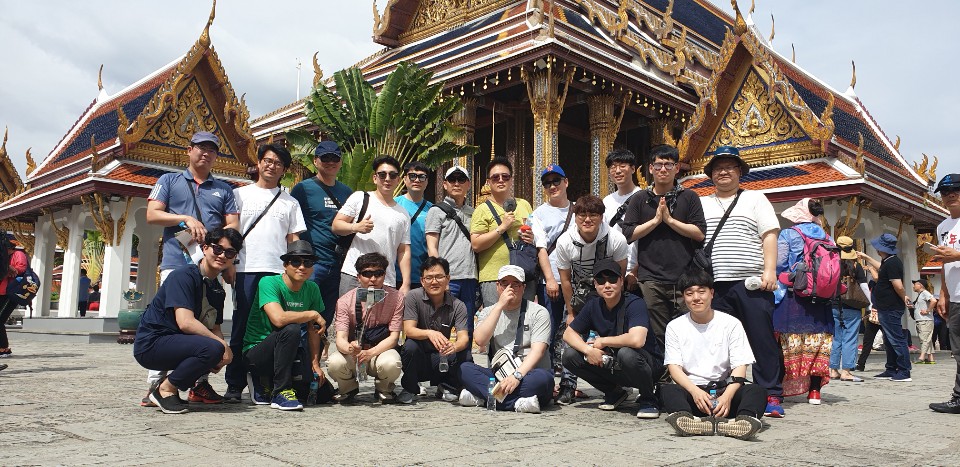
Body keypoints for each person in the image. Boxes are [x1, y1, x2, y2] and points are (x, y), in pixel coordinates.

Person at [143, 131, 239, 406]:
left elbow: (233, 225)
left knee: (206, 320)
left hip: (210, 266)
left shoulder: (224, 189)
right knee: (170, 323)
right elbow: (152, 214)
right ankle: (156, 384)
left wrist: (224, 255)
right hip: (177, 262)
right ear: (189, 150)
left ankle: (199, 383)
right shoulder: (169, 181)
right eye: (201, 147)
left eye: (212, 149)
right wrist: (184, 218)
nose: (206, 153)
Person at [698, 146, 784, 417]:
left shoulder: (755, 199)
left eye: (729, 167)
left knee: (761, 339)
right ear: (711, 174)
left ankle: (770, 393)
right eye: (718, 168)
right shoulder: (702, 203)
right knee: (719, 341)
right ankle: (722, 393)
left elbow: (769, 235)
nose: (723, 172)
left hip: (750, 282)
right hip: (714, 283)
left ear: (739, 172)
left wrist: (770, 271)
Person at [224, 143, 306, 403]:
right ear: (259, 163)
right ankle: (235, 383)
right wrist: (229, 264)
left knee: (274, 328)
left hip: (276, 272)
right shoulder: (239, 195)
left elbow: (293, 240)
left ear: (284, 170)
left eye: (278, 163)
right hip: (246, 269)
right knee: (241, 327)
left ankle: (264, 382)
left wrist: (294, 273)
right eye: (268, 161)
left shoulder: (290, 202)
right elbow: (231, 233)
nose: (272, 166)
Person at [132, 228, 241, 414]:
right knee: (213, 347)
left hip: (177, 342)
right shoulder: (183, 276)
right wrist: (221, 345)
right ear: (205, 248)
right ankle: (165, 390)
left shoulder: (217, 290)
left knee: (216, 349)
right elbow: (186, 322)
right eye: (217, 249)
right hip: (152, 344)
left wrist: (224, 354)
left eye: (229, 253)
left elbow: (214, 327)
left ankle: (175, 387)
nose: (222, 255)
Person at [661, 268, 765, 440]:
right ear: (683, 297)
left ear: (712, 293)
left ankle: (743, 422)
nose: (696, 298)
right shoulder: (675, 326)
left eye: (701, 292)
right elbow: (674, 368)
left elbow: (740, 366)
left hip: (724, 390)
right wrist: (695, 392)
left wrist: (727, 396)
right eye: (689, 293)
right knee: (669, 390)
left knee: (756, 391)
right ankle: (688, 420)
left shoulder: (731, 323)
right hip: (693, 393)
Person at [621, 144, 706, 349]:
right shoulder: (640, 199)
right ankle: (663, 369)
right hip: (651, 278)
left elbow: (699, 233)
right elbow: (628, 234)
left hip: (684, 276)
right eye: (658, 165)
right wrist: (655, 221)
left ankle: (686, 368)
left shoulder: (689, 197)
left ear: (677, 168)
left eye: (668, 165)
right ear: (650, 168)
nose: (663, 169)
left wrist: (669, 221)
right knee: (658, 333)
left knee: (688, 330)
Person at [561, 258, 664, 419]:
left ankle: (648, 399)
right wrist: (589, 350)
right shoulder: (593, 305)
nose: (607, 285)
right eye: (601, 281)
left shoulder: (635, 303)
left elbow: (637, 340)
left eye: (612, 279)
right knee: (569, 356)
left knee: (626, 353)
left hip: (646, 365)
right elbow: (568, 334)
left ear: (621, 281)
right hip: (616, 364)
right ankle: (614, 392)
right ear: (595, 284)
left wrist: (603, 341)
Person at [553, 195, 629, 405]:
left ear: (602, 217)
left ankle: (619, 383)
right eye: (582, 215)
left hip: (607, 295)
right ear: (575, 217)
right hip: (579, 297)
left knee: (612, 340)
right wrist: (571, 312)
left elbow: (620, 275)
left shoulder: (616, 239)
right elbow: (565, 280)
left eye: (593, 215)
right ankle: (567, 385)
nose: (587, 219)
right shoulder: (565, 242)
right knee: (570, 342)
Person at [242, 240, 326, 411]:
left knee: (323, 394)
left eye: (307, 263)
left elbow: (313, 330)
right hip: (257, 354)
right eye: (295, 262)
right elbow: (278, 319)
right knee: (291, 328)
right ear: (285, 265)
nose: (302, 267)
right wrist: (312, 313)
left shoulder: (312, 288)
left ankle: (271, 381)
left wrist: (315, 364)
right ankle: (279, 391)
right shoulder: (268, 282)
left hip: (288, 351)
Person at [458, 265, 553, 413]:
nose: (510, 288)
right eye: (505, 284)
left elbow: (538, 351)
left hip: (528, 374)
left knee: (543, 380)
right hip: (500, 376)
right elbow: (480, 340)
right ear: (497, 286)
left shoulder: (539, 312)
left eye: (515, 284)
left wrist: (517, 376)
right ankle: (517, 403)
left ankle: (485, 398)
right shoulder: (489, 312)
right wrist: (499, 306)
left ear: (523, 288)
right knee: (465, 369)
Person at [773, 198, 834, 405]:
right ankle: (815, 391)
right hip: (821, 298)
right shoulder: (827, 236)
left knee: (784, 341)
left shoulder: (789, 233)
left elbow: (779, 263)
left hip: (794, 295)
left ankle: (777, 390)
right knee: (819, 342)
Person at [290, 140, 353, 324]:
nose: (330, 162)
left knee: (325, 317)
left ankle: (318, 345)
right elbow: (292, 223)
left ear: (341, 162)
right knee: (303, 314)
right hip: (312, 264)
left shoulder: (347, 192)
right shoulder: (303, 189)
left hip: (338, 263)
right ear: (315, 161)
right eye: (325, 158)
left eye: (335, 158)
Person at [328, 253, 404, 403]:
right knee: (334, 362)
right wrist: (350, 348)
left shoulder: (397, 298)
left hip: (380, 351)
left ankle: (384, 389)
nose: (373, 279)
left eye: (378, 273)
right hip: (354, 354)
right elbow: (340, 339)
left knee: (392, 363)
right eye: (367, 274)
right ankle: (347, 388)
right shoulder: (344, 301)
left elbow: (394, 337)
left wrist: (370, 353)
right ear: (358, 277)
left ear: (384, 275)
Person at [332, 156, 411, 296]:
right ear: (375, 178)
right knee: (349, 310)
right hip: (354, 275)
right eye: (382, 175)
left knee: (377, 312)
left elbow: (403, 250)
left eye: (392, 175)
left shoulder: (403, 214)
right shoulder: (360, 198)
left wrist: (406, 283)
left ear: (398, 180)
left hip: (384, 279)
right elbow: (336, 225)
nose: (387, 179)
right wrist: (355, 227)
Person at [471, 157, 543, 305]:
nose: (501, 180)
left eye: (505, 176)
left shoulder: (524, 204)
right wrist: (502, 228)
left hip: (523, 274)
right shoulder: (482, 210)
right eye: (495, 177)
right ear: (488, 182)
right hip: (494, 277)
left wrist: (531, 238)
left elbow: (535, 233)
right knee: (496, 317)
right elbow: (476, 245)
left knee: (524, 318)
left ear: (511, 180)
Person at [399, 257, 471, 403]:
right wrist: (429, 333)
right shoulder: (413, 297)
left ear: (447, 279)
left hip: (441, 356)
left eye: (439, 277)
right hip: (419, 356)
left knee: (465, 353)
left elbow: (463, 338)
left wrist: (454, 347)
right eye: (429, 277)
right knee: (409, 347)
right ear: (422, 281)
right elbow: (409, 330)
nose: (434, 281)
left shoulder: (458, 305)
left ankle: (448, 386)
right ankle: (410, 388)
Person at [425, 165, 478, 338]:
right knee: (441, 325)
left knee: (467, 327)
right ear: (445, 184)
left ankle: (464, 356)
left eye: (461, 179)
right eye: (452, 180)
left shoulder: (473, 213)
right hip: (449, 278)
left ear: (468, 184)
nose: (456, 183)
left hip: (470, 277)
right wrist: (439, 276)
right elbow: (432, 246)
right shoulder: (436, 211)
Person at [530, 164, 572, 366]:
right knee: (550, 327)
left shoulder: (579, 210)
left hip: (575, 279)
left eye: (556, 181)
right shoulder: (539, 213)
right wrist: (550, 280)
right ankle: (547, 372)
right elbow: (541, 249)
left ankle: (569, 374)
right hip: (552, 279)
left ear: (566, 182)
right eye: (547, 184)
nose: (552, 186)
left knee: (573, 326)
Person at [858, 233, 912, 382]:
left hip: (891, 307)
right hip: (884, 306)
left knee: (896, 339)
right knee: (888, 339)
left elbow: (898, 286)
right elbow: (881, 268)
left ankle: (904, 370)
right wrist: (866, 257)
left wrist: (904, 297)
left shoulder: (893, 263)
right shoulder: (888, 261)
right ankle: (891, 368)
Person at [929, 173, 960, 413]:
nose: (950, 195)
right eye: (945, 192)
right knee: (958, 351)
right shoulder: (942, 227)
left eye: (956, 190)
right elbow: (943, 263)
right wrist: (943, 293)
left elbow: (953, 257)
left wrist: (957, 255)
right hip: (956, 295)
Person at [830, 236, 869, 382]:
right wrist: (870, 305)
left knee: (836, 338)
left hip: (834, 305)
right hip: (852, 306)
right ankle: (846, 371)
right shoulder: (855, 266)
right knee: (850, 339)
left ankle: (833, 370)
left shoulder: (832, 264)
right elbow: (864, 287)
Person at [601, 149, 641, 290]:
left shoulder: (644, 198)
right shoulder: (606, 201)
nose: (617, 171)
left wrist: (635, 271)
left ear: (633, 169)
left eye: (622, 166)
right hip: (614, 272)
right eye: (613, 167)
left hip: (638, 271)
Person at [395, 161, 433, 290]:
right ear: (404, 179)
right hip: (392, 275)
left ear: (427, 182)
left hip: (421, 276)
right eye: (412, 176)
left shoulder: (432, 210)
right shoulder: (393, 204)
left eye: (422, 177)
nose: (417, 180)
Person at [0, 238, 28, 358]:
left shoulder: (18, 254)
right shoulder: (4, 258)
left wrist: (7, 268)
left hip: (11, 292)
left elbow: (20, 269)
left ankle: (3, 348)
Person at [912, 279, 937, 364]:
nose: (913, 286)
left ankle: (922, 357)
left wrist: (927, 310)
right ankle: (930, 358)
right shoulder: (920, 295)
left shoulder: (925, 293)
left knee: (924, 339)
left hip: (925, 320)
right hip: (921, 320)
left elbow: (934, 301)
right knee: (927, 338)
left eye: (915, 284)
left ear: (920, 285)